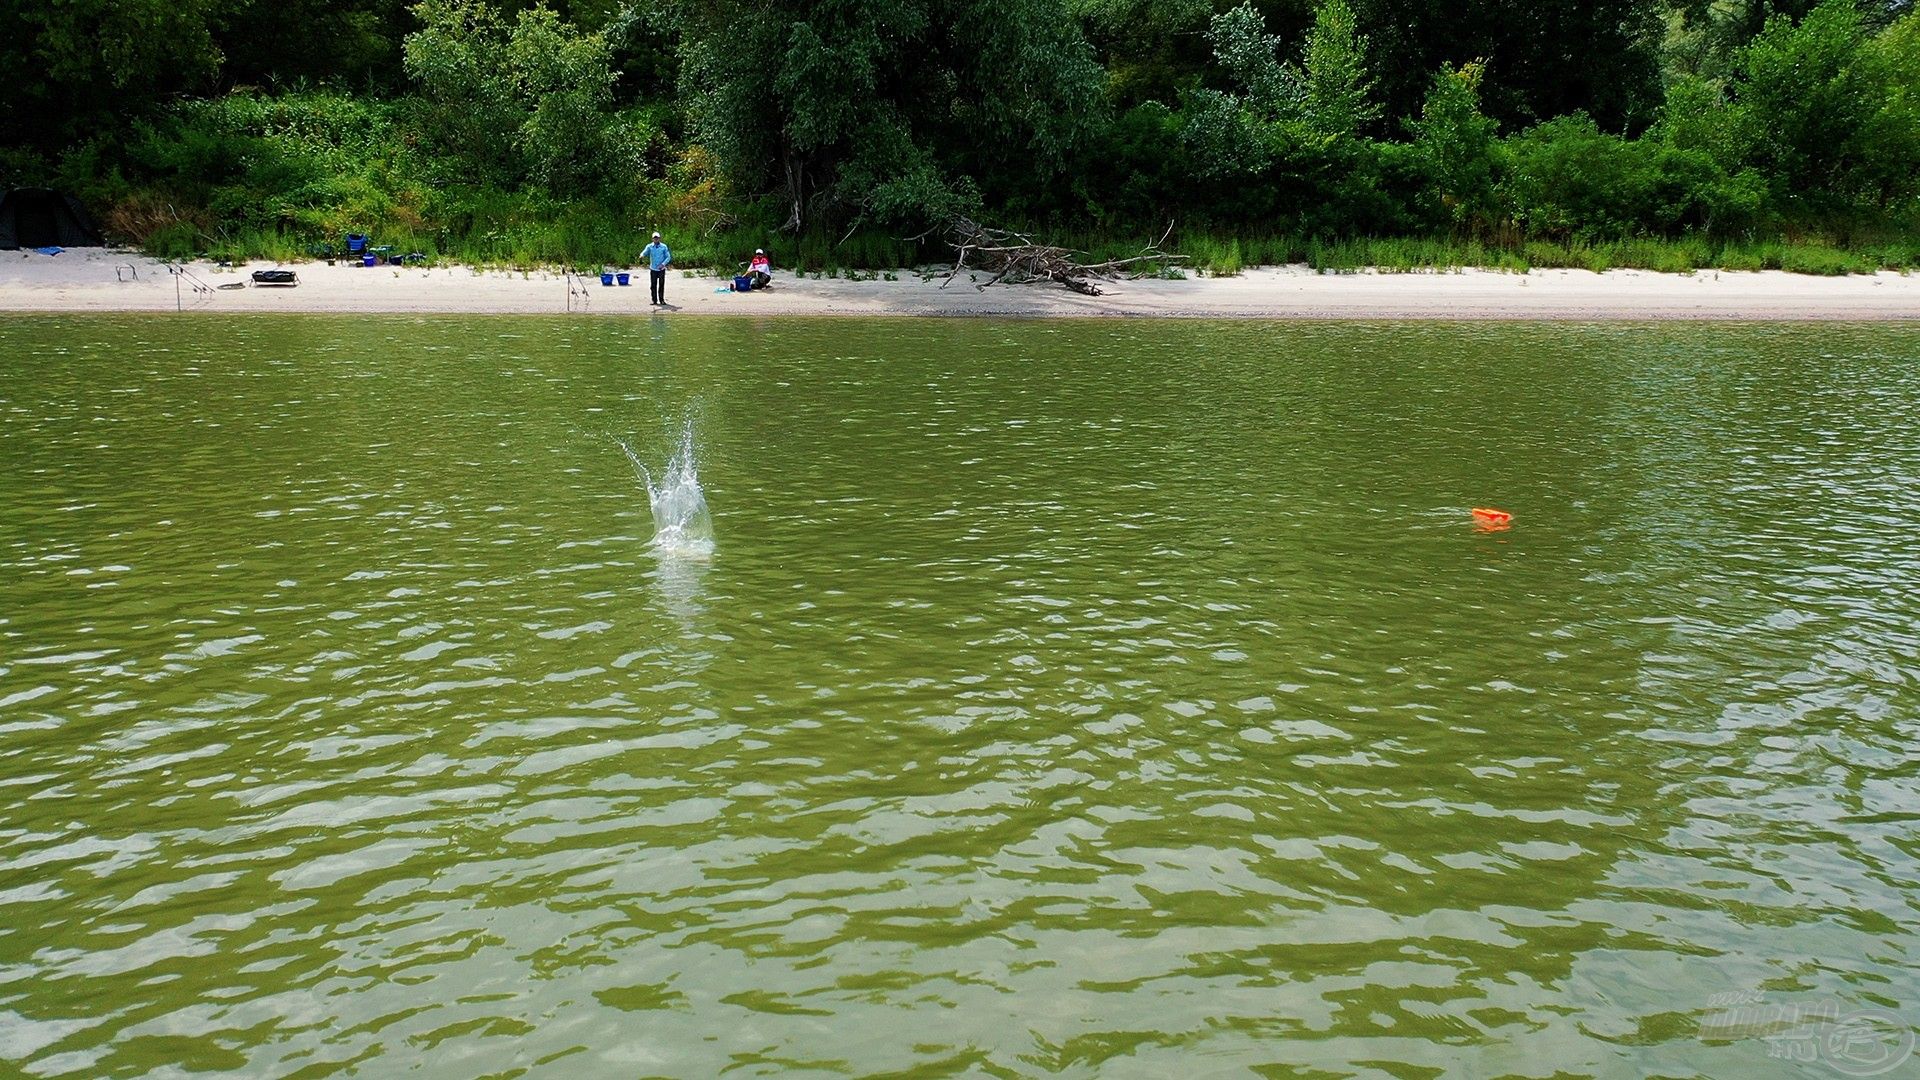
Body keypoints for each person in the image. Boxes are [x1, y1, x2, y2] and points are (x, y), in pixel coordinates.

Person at [640, 230, 672, 306]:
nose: (656, 239)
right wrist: (642, 255)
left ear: (659, 238)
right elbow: (644, 252)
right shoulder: (649, 246)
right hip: (653, 269)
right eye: (654, 238)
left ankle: (661, 300)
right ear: (652, 239)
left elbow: (668, 257)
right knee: (653, 285)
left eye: (657, 238)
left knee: (661, 285)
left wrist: (663, 264)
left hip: (661, 269)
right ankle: (654, 300)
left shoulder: (664, 247)